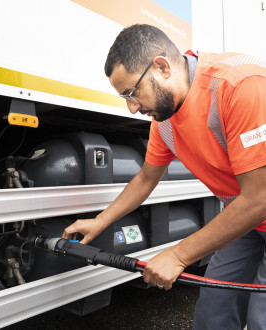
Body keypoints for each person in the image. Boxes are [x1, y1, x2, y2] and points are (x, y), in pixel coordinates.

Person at [63, 24, 266, 330]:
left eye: (133, 92)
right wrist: (101, 220)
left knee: (260, 317)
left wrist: (178, 255)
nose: (132, 108)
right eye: (125, 98)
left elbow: (260, 197)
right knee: (214, 313)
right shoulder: (165, 122)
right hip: (247, 218)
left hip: (255, 204)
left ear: (162, 67)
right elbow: (146, 178)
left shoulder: (239, 86)